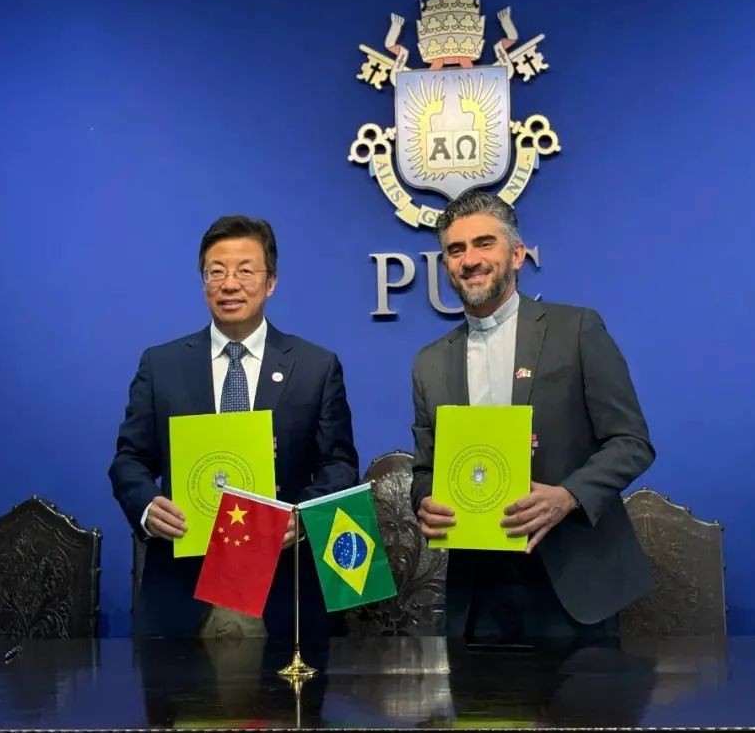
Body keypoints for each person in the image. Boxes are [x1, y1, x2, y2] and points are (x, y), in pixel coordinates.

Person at [410, 190, 655, 643]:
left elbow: (631, 442)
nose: (470, 260)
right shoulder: (429, 363)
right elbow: (426, 469)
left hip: (576, 583)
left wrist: (568, 495)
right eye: (455, 250)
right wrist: (424, 501)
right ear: (445, 266)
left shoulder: (577, 329)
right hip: (478, 598)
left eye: (484, 243)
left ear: (518, 255)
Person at [109, 215, 358, 638]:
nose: (229, 284)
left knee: (286, 684)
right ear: (203, 281)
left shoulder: (315, 367)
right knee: (177, 682)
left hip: (284, 585)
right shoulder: (161, 365)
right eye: (216, 272)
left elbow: (339, 465)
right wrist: (148, 507)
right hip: (182, 583)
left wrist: (302, 516)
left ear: (271, 282)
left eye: (245, 271)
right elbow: (128, 460)